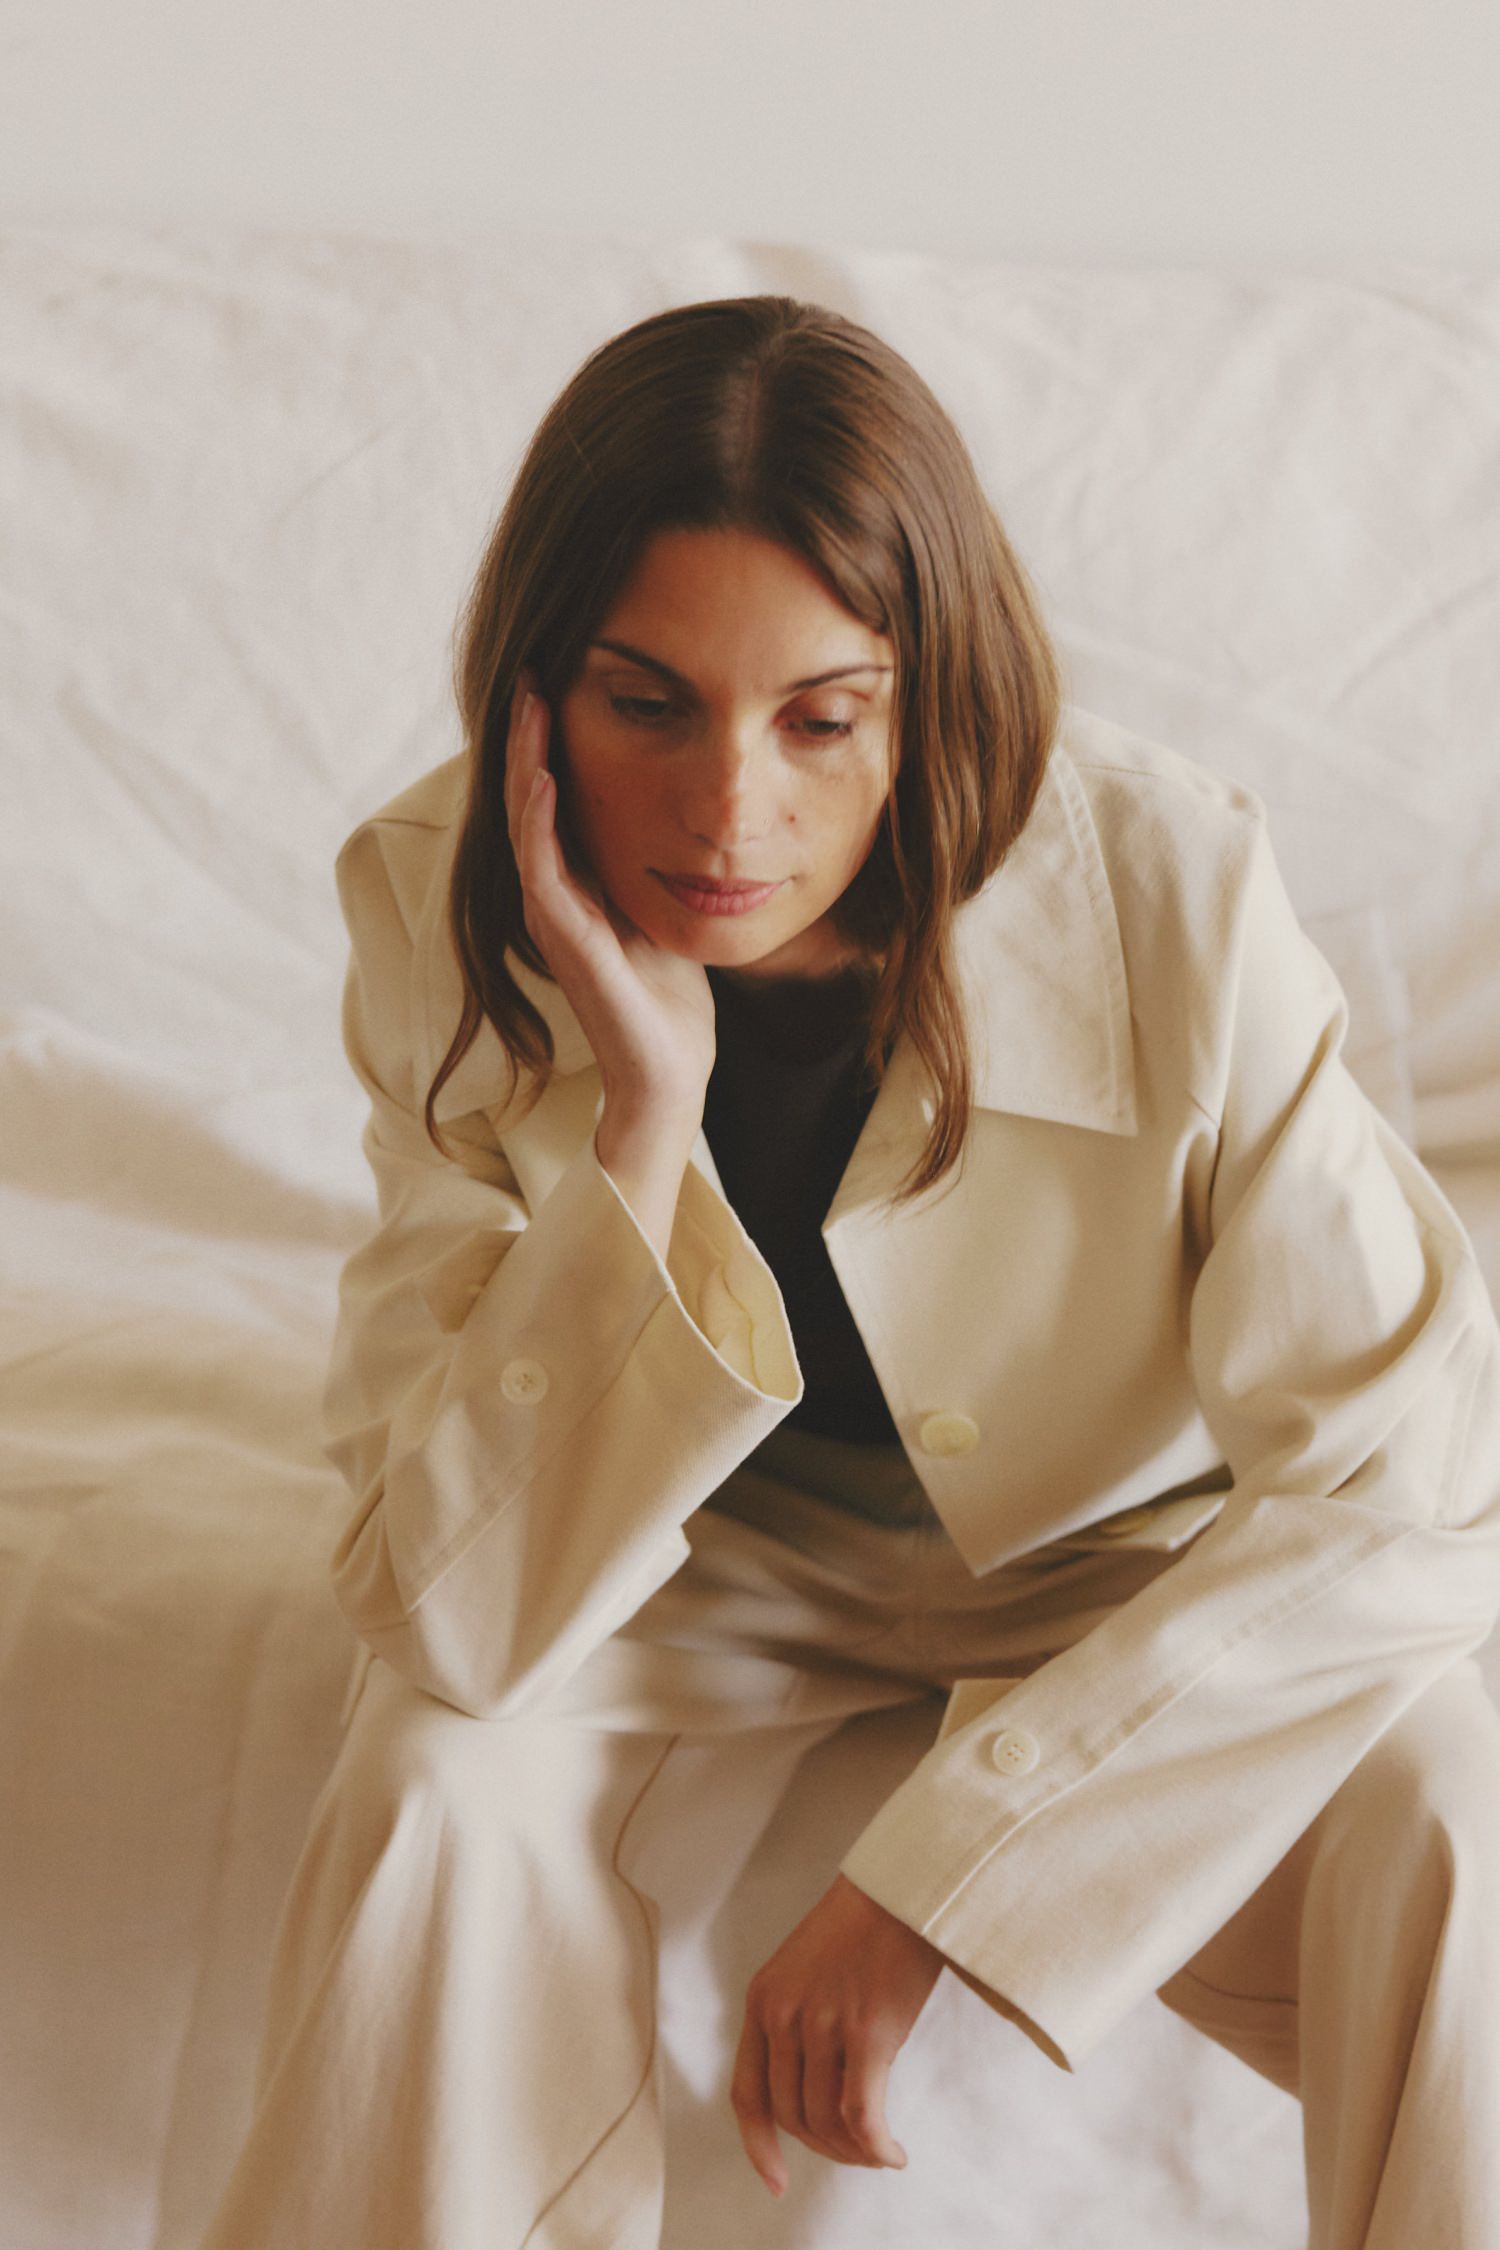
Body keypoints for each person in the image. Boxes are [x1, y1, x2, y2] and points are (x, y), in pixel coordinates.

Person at [200, 295, 1500, 2250]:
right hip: (690, 1559)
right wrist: (645, 1121)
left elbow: (1414, 1484)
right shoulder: (436, 896)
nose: (732, 809)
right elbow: (454, 1617)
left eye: (823, 717)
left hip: (1115, 1554)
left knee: (1452, 1795)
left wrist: (946, 1877)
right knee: (431, 1793)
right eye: (649, 703)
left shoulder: (1173, 888)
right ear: (537, 692)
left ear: (930, 694)